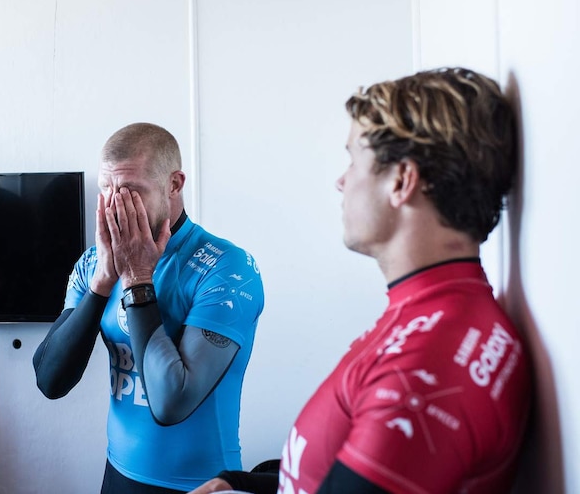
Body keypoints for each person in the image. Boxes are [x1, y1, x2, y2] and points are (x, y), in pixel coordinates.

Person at [190, 68, 532, 494]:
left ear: (402, 181)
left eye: (354, 159)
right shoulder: (429, 314)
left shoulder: (432, 362)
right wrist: (238, 484)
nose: (341, 180)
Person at [33, 122, 265, 493]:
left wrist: (137, 278)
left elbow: (173, 402)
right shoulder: (94, 263)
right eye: (106, 189)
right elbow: (49, 380)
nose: (115, 205)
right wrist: (103, 281)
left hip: (200, 484)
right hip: (118, 474)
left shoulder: (228, 268)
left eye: (130, 191)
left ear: (174, 184)